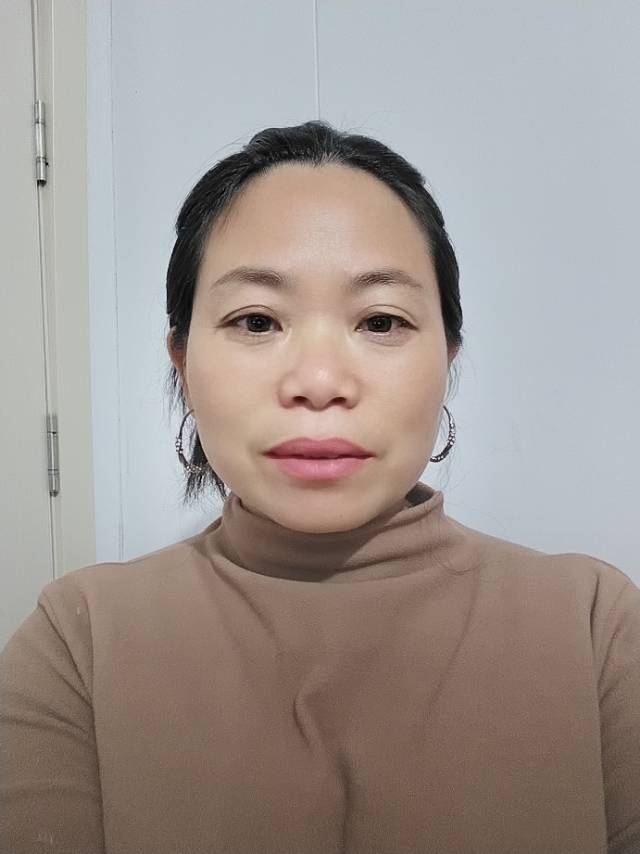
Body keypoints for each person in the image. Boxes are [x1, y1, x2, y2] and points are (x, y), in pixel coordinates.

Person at [1, 120, 638, 854]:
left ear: (448, 357)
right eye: (256, 320)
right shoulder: (80, 640)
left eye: (381, 321)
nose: (320, 381)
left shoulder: (594, 629)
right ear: (182, 360)